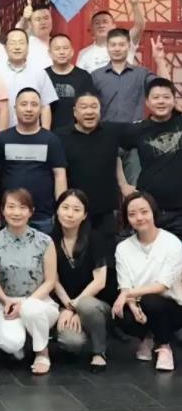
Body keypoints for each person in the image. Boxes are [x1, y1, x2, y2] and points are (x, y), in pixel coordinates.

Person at [0, 188, 59, 375]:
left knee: (31, 310)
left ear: (31, 211)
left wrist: (25, 304)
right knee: (10, 344)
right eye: (11, 207)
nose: (16, 212)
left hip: (40, 302)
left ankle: (42, 353)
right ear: (2, 210)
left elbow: (50, 280)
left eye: (22, 207)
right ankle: (22, 341)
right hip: (8, 303)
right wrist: (5, 300)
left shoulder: (44, 241)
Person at [57, 93, 132, 262]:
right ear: (75, 112)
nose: (89, 111)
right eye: (84, 107)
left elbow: (115, 157)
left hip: (105, 210)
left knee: (106, 258)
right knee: (77, 258)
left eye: (94, 107)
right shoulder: (60, 136)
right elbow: (58, 173)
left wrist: (123, 184)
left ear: (100, 110)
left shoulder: (112, 132)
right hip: (74, 210)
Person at [113, 191, 182, 371]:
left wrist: (127, 294)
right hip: (139, 302)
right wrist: (132, 305)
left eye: (144, 212)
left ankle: (164, 346)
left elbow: (162, 286)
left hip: (172, 306)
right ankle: (147, 338)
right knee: (120, 313)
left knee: (152, 301)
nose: (139, 218)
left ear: (153, 212)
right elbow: (125, 284)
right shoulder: (123, 248)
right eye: (132, 214)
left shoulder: (172, 243)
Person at [51, 190, 110, 372]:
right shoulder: (50, 240)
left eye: (76, 209)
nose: (69, 214)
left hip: (94, 304)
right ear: (57, 210)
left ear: (84, 215)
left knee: (87, 306)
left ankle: (99, 353)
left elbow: (99, 281)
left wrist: (76, 306)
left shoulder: (95, 238)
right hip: (65, 304)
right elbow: (53, 280)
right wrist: (68, 307)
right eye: (65, 208)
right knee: (72, 343)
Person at [0, 88, 67, 234]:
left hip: (43, 216)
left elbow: (60, 175)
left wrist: (61, 207)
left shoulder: (51, 139)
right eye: (24, 104)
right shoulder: (2, 139)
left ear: (40, 109)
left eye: (34, 104)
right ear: (15, 108)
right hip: (10, 214)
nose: (28, 109)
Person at [118, 78, 182, 239]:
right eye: (156, 97)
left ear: (174, 100)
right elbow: (111, 152)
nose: (161, 101)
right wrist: (123, 185)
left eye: (166, 97)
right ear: (147, 102)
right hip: (149, 208)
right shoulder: (137, 129)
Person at [92, 29, 169, 125]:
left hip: (135, 130)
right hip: (105, 130)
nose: (117, 49)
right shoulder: (96, 76)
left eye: (121, 45)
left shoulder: (141, 74)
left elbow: (166, 88)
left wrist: (159, 59)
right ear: (107, 47)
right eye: (113, 45)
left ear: (128, 46)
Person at [77, 0, 145, 73]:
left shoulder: (125, 42)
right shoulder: (84, 54)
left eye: (105, 21)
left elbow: (139, 26)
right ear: (92, 29)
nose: (101, 25)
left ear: (114, 26)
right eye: (97, 23)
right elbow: (80, 78)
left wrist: (135, 5)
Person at [0, 29, 58, 129]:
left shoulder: (39, 73)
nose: (17, 47)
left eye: (21, 43)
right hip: (4, 132)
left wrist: (45, 134)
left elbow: (45, 106)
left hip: (32, 133)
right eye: (13, 43)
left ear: (28, 47)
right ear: (5, 47)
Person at [45, 34, 94, 131]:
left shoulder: (84, 76)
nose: (62, 52)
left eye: (65, 48)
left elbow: (89, 106)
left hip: (77, 133)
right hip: (50, 133)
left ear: (72, 52)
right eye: (57, 49)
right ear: (50, 53)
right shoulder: (43, 76)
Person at [17, 2, 53, 70]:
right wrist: (24, 19)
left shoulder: (57, 43)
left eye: (46, 18)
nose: (43, 22)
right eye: (38, 19)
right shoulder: (27, 43)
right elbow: (18, 32)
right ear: (30, 24)